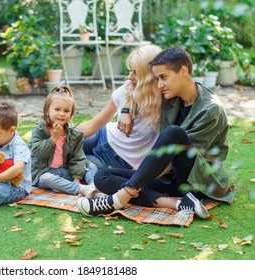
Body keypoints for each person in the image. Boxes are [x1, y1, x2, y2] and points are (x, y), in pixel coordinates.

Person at [78, 46, 235, 218]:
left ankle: (118, 199)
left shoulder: (210, 109)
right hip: (169, 179)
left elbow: (184, 157)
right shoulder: (171, 96)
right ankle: (180, 204)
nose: (159, 85)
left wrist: (135, 183)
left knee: (173, 133)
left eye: (163, 78)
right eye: (157, 78)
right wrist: (126, 109)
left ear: (183, 71)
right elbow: (132, 84)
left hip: (196, 181)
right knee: (103, 176)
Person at [78, 44, 162, 170]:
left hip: (117, 160)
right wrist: (57, 135)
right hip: (101, 136)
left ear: (150, 76)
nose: (129, 77)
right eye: (130, 70)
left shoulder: (165, 101)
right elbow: (92, 125)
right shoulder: (127, 89)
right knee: (59, 148)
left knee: (75, 168)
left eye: (136, 73)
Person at [29, 85, 98, 197]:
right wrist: (53, 138)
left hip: (65, 171)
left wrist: (76, 178)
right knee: (47, 179)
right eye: (57, 109)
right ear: (47, 111)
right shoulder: (40, 129)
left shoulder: (74, 134)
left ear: (71, 114)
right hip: (45, 171)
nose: (62, 114)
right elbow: (37, 152)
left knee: (91, 166)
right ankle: (80, 189)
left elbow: (77, 157)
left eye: (66, 111)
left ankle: (93, 187)